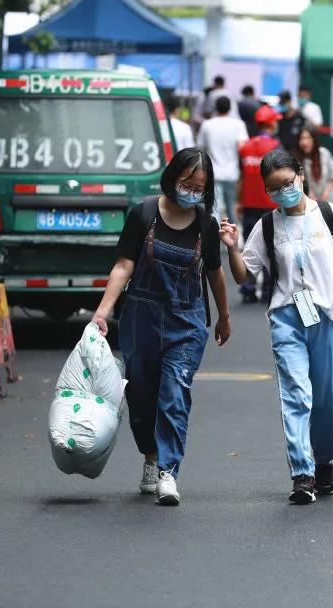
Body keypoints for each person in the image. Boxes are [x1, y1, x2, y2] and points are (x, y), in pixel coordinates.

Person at [221, 150, 333, 504]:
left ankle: (323, 466)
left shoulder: (331, 216)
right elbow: (244, 274)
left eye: (288, 183)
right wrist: (232, 248)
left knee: (322, 400)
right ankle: (301, 474)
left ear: (300, 176)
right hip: (287, 317)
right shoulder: (267, 226)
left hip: (329, 317)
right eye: (274, 189)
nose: (283, 192)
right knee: (296, 395)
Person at [91, 148, 232, 506]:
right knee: (141, 394)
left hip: (187, 320)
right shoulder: (143, 215)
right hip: (141, 316)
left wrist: (224, 316)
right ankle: (151, 457)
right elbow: (124, 266)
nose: (191, 191)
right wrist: (102, 312)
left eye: (199, 187)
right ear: (172, 178)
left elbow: (215, 272)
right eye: (186, 183)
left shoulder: (206, 225)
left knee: (174, 392)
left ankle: (169, 471)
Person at [236, 105, 282, 304]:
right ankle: (268, 289)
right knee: (270, 247)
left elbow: (241, 176)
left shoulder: (245, 146)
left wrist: (239, 200)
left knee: (249, 246)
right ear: (271, 123)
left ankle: (248, 287)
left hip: (248, 203)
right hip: (269, 204)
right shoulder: (275, 147)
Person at [198, 95, 248, 218]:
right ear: (230, 108)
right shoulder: (238, 124)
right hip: (232, 172)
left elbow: (200, 147)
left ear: (215, 108)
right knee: (232, 207)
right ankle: (232, 234)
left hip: (213, 172)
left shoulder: (207, 124)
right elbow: (243, 147)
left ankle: (214, 235)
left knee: (214, 208)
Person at [296, 126, 333, 201]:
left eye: (308, 138)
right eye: (301, 138)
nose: (304, 142)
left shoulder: (323, 153)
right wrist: (309, 193)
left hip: (323, 200)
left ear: (314, 139)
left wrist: (327, 192)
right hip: (305, 201)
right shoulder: (296, 157)